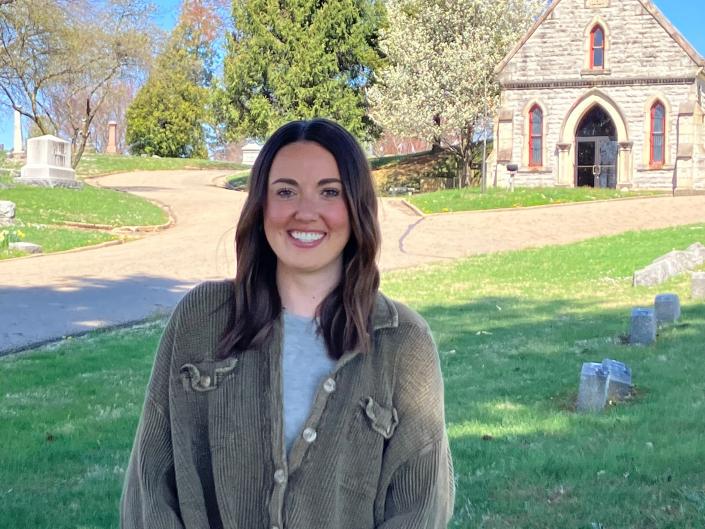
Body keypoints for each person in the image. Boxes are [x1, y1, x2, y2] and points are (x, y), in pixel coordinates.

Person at [120, 118, 455, 529]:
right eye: (285, 191)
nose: (305, 212)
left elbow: (419, 509)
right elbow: (150, 486)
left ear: (356, 207)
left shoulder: (404, 342)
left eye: (329, 192)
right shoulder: (200, 319)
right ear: (261, 205)